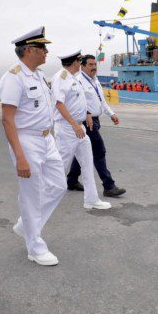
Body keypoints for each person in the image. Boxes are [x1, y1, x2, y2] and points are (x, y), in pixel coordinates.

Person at [0, 26, 66, 266]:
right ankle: (35, 247)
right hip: (26, 140)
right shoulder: (14, 77)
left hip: (46, 138)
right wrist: (20, 156)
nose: (47, 52)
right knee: (31, 195)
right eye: (42, 47)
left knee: (59, 186)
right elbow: (7, 119)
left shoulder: (37, 75)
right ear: (29, 50)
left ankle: (25, 225)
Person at [50, 49, 111, 210]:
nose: (81, 63)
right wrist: (74, 124)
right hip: (67, 128)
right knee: (60, 166)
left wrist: (86, 115)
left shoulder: (72, 78)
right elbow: (59, 103)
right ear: (76, 62)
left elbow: (77, 102)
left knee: (87, 163)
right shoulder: (61, 78)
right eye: (80, 61)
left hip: (79, 126)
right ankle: (42, 199)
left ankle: (91, 200)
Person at [68, 54, 126, 198]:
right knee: (99, 151)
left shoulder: (95, 80)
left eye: (95, 65)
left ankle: (72, 180)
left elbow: (101, 100)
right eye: (90, 65)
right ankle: (109, 186)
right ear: (82, 66)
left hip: (95, 120)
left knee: (83, 151)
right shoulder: (78, 81)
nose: (94, 67)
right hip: (87, 121)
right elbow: (77, 103)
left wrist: (111, 114)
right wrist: (86, 115)